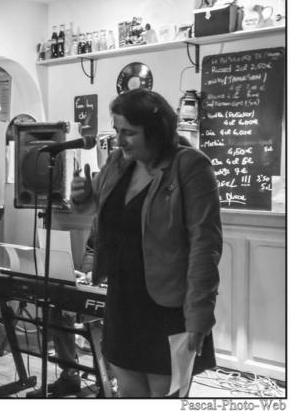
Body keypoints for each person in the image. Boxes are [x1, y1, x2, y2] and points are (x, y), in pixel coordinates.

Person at [70, 88, 222, 397]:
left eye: (129, 133)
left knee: (165, 395)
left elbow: (205, 247)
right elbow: (96, 209)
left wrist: (199, 315)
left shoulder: (191, 166)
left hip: (168, 306)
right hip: (122, 298)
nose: (119, 140)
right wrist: (81, 195)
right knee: (128, 393)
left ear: (155, 131)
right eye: (117, 131)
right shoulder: (118, 162)